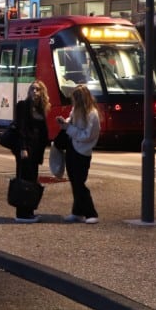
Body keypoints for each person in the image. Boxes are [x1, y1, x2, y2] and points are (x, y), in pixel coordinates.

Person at [57, 84, 101, 224]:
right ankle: (77, 212)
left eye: (75, 98)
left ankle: (91, 213)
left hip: (82, 151)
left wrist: (68, 127)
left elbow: (87, 135)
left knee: (79, 183)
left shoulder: (92, 114)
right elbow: (72, 123)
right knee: (75, 182)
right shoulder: (76, 110)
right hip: (73, 148)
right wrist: (65, 123)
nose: (73, 102)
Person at [11, 80, 50, 223]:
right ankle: (21, 213)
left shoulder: (40, 109)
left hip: (36, 151)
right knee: (24, 180)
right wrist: (22, 148)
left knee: (32, 181)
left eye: (38, 89)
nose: (35, 92)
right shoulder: (23, 106)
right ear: (28, 91)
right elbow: (21, 128)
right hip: (26, 149)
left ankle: (29, 211)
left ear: (42, 93)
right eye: (32, 89)